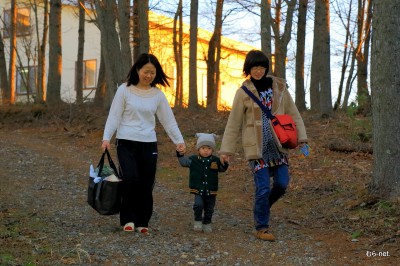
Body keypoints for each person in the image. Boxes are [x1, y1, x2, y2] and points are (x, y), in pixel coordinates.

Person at [218, 50, 308, 241]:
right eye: (254, 67)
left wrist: (302, 138)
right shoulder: (243, 92)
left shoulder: (280, 88)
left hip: (278, 145)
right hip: (257, 148)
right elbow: (233, 123)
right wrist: (226, 150)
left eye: (261, 67)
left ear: (266, 68)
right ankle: (262, 227)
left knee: (282, 184)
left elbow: (294, 113)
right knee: (263, 188)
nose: (258, 71)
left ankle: (262, 207)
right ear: (248, 69)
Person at [101, 53, 186, 234]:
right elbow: (114, 115)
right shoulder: (124, 90)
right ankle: (128, 219)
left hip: (148, 144)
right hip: (126, 142)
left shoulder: (157, 95)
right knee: (130, 179)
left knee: (146, 183)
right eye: (146, 72)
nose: (149, 76)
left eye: (153, 73)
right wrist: (106, 137)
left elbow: (168, 121)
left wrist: (179, 141)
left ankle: (142, 221)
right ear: (137, 70)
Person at [177, 133, 228, 233]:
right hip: (198, 189)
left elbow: (222, 169)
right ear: (198, 149)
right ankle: (198, 220)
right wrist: (180, 154)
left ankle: (207, 222)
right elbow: (183, 162)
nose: (206, 150)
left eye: (209, 148)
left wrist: (225, 162)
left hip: (211, 189)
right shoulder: (193, 160)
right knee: (198, 205)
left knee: (210, 208)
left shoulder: (215, 160)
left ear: (212, 149)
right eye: (203, 147)